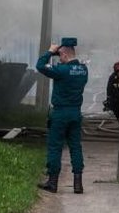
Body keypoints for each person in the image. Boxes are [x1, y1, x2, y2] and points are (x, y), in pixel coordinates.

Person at [35, 37, 88, 194]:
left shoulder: (61, 71)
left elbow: (40, 66)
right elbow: (72, 68)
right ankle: (78, 184)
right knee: (75, 147)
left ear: (63, 53)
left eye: (60, 54)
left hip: (60, 113)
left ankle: (52, 183)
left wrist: (50, 52)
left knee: (55, 146)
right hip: (75, 113)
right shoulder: (84, 70)